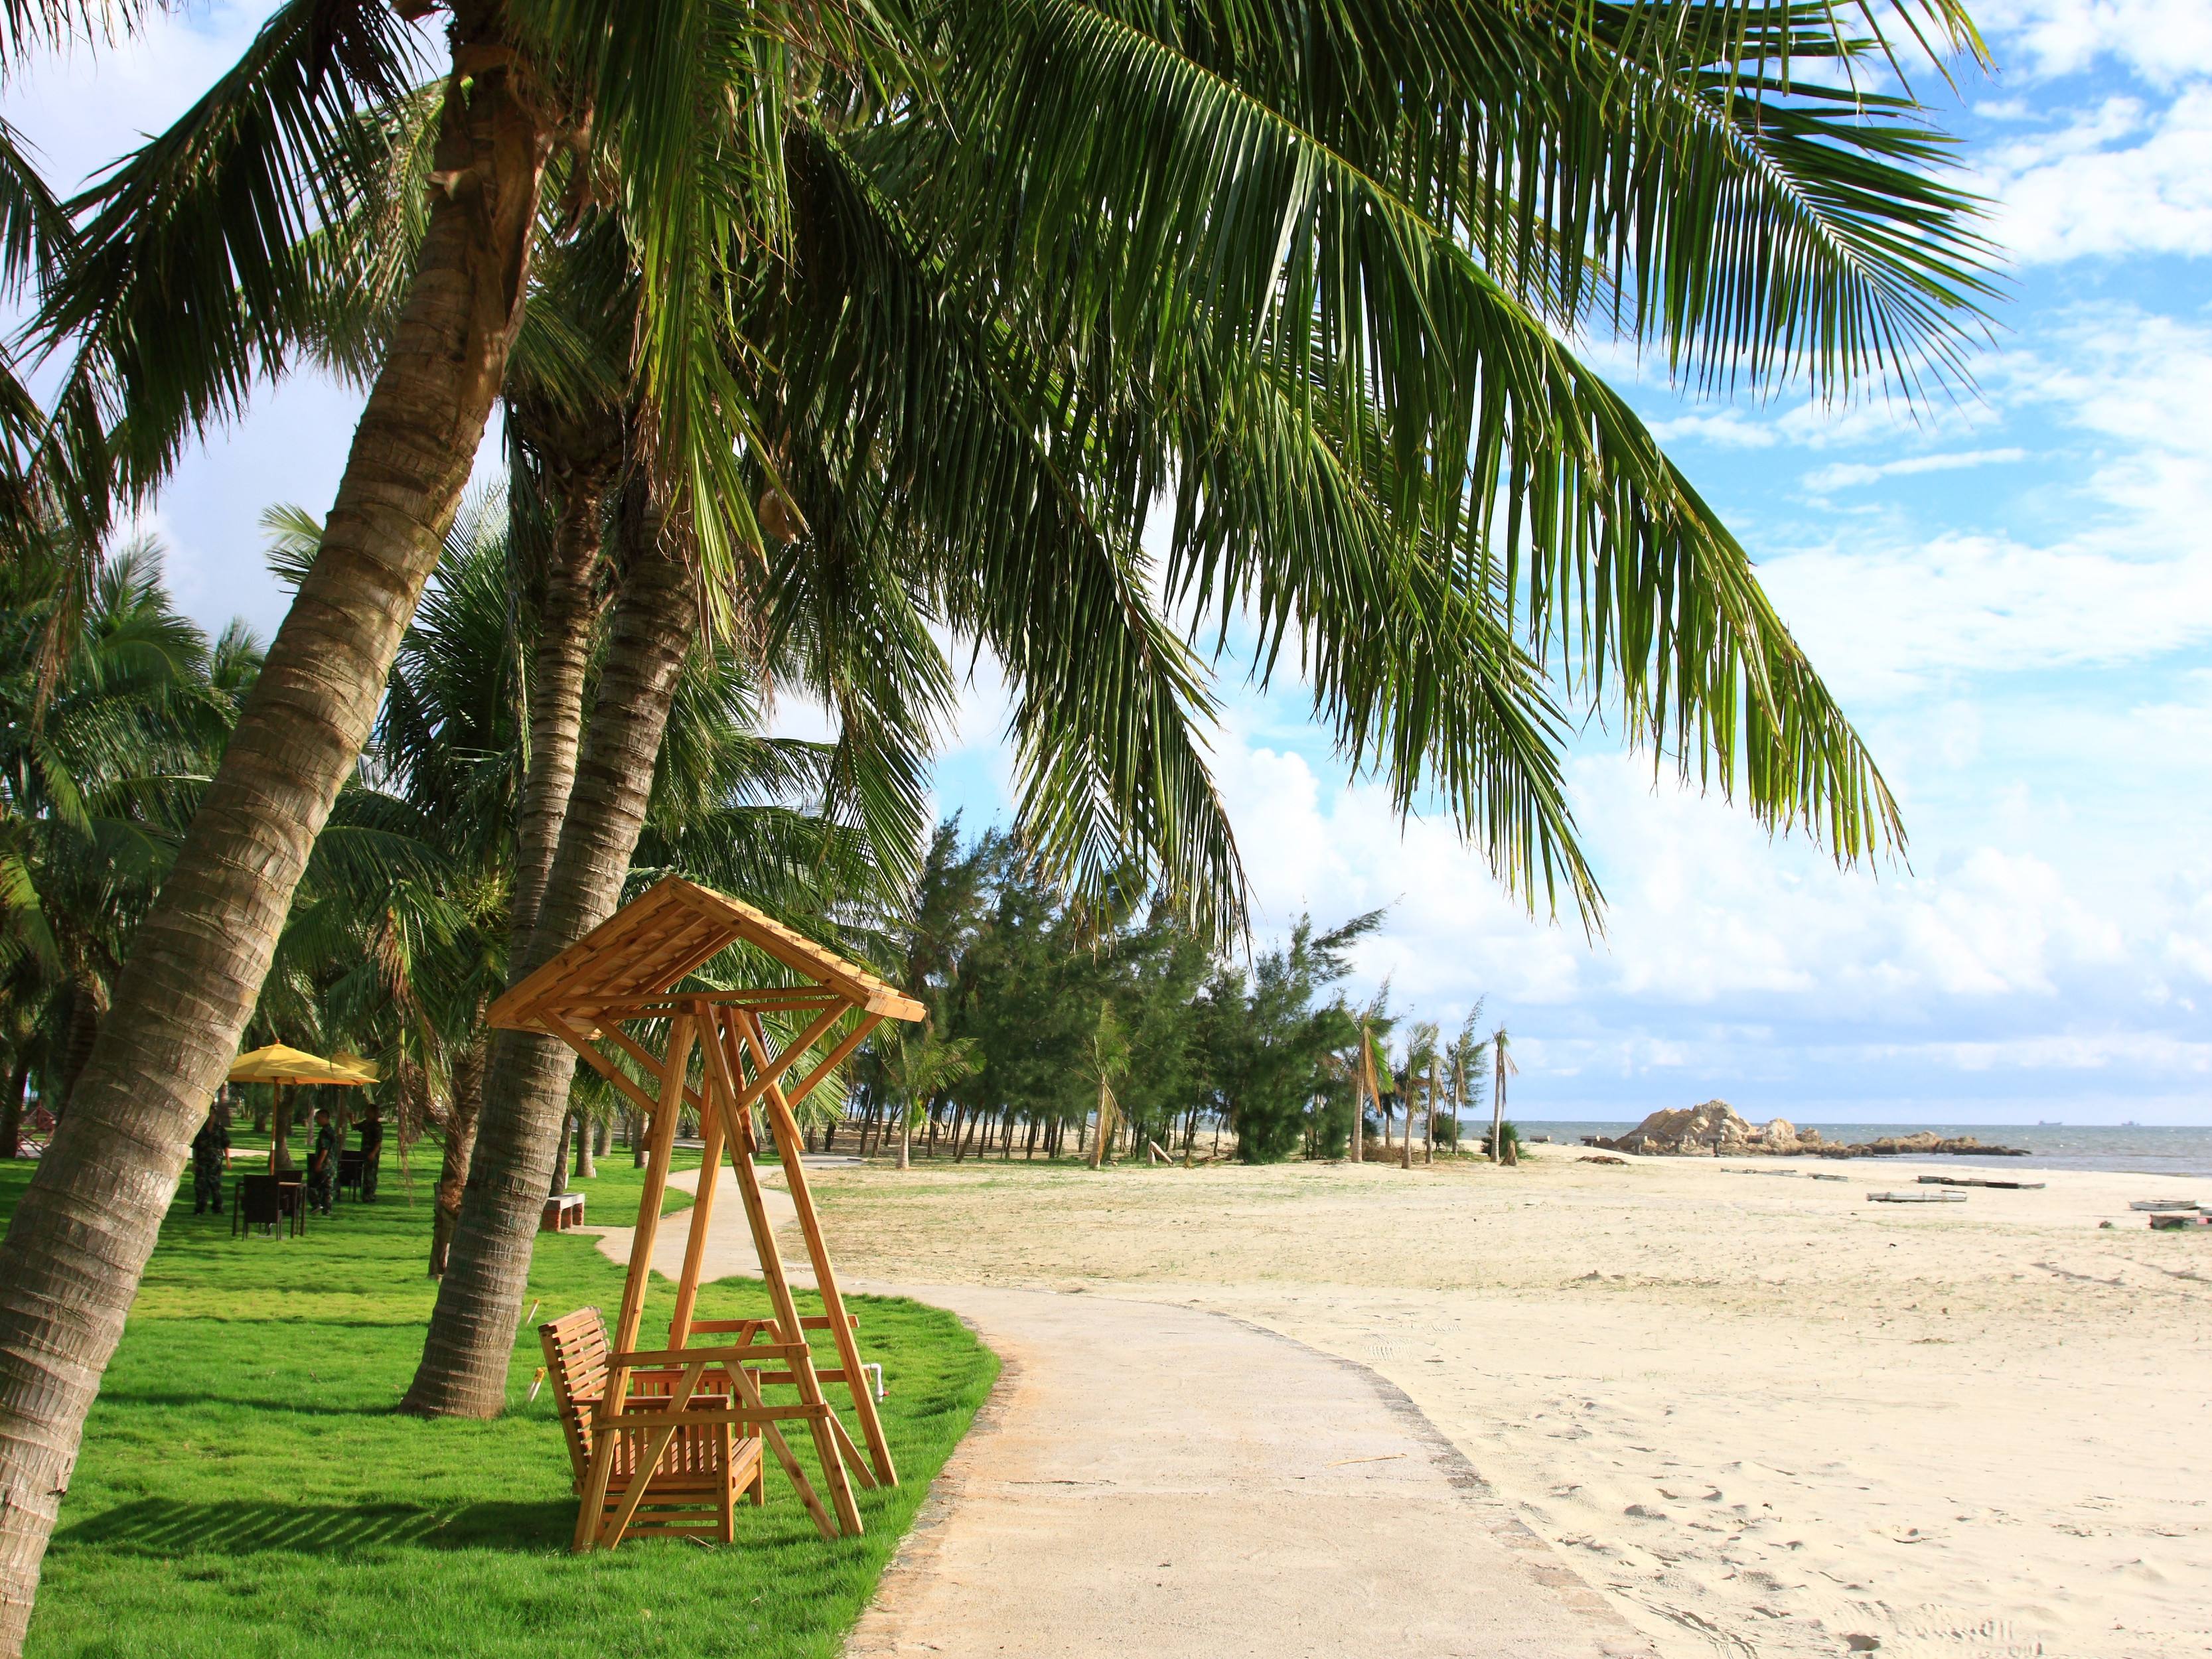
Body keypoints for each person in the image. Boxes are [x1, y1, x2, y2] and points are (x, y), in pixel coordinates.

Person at [190, 1105, 229, 1215]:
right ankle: (200, 1208)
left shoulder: (220, 1130)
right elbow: (195, 1148)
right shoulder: (200, 1130)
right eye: (208, 1114)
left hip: (215, 1163)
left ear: (215, 1116)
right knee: (200, 1186)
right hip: (201, 1162)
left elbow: (226, 1145)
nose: (210, 1117)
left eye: (212, 1114)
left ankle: (218, 1208)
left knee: (215, 1186)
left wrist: (228, 1160)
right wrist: (194, 1163)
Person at [308, 1106, 340, 1216]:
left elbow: (325, 1149)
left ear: (324, 1118)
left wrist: (318, 1163)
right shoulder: (332, 1131)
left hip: (325, 1165)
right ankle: (327, 1211)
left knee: (311, 1186)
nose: (317, 1121)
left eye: (318, 1118)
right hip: (332, 1166)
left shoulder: (324, 1133)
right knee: (327, 1189)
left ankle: (316, 1204)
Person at [356, 1102, 384, 1202]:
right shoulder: (366, 1124)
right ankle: (366, 1195)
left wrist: (373, 1153)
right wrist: (350, 1118)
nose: (366, 1112)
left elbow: (378, 1141)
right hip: (365, 1152)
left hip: (372, 1153)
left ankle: (370, 1195)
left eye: (368, 1110)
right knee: (366, 1174)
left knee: (371, 1174)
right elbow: (355, 1127)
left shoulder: (377, 1126)